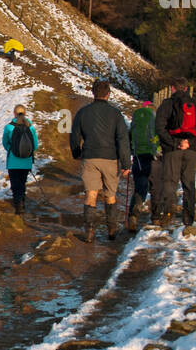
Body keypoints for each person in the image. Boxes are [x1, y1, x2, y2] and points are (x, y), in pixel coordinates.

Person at [68, 79, 131, 242]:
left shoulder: (83, 112)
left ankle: (89, 232)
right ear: (108, 94)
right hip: (110, 159)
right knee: (110, 196)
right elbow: (123, 139)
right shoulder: (116, 114)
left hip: (90, 157)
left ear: (92, 93)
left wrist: (77, 153)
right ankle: (112, 230)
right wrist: (126, 163)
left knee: (91, 195)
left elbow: (74, 135)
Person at [154, 81, 196, 226]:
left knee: (170, 182)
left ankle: (168, 212)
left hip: (172, 150)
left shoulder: (167, 104)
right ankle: (188, 218)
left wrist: (174, 143)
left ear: (172, 88)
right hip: (190, 150)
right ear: (186, 89)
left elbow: (159, 127)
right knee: (189, 184)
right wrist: (191, 143)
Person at [126, 99, 159, 232]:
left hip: (138, 157)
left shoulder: (136, 122)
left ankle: (134, 215)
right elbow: (159, 139)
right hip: (154, 157)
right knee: (156, 188)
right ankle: (156, 217)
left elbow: (129, 139)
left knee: (140, 187)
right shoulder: (156, 123)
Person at [3, 105, 39, 215]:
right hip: (26, 161)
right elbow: (35, 145)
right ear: (25, 113)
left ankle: (18, 205)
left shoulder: (9, 127)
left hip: (13, 161)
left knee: (15, 183)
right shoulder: (30, 127)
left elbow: (5, 143)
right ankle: (22, 201)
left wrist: (12, 149)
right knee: (22, 182)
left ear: (14, 113)